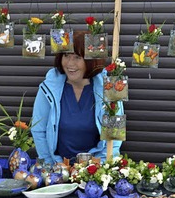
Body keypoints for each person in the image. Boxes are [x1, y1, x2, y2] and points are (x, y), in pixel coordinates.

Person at [31, 30, 123, 164]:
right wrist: (53, 167)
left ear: (90, 60)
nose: (70, 64)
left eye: (77, 57)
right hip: (58, 169)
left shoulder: (109, 88)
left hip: (95, 170)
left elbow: (115, 137)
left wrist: (98, 169)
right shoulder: (48, 88)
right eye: (66, 56)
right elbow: (38, 130)